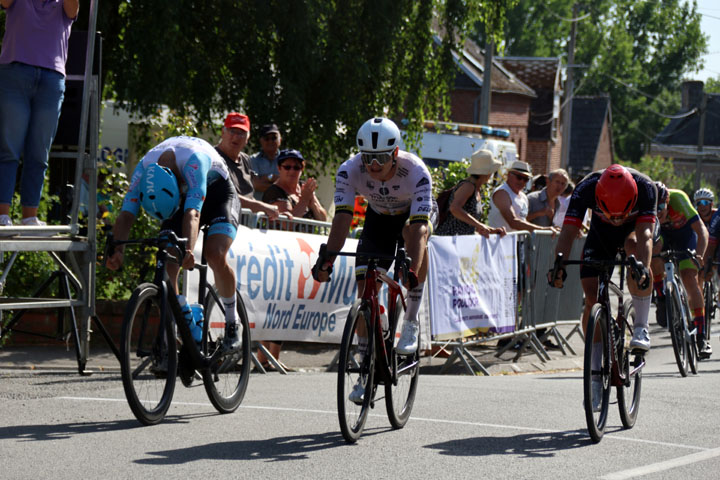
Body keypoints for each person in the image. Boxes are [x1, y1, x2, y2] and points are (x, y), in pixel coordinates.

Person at [312, 117, 435, 403]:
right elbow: (342, 219)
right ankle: (366, 372)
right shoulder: (349, 170)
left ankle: (411, 321)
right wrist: (327, 259)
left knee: (415, 236)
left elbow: (417, 229)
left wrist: (411, 269)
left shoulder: (416, 171)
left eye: (381, 157)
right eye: (368, 157)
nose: (374, 165)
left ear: (394, 154)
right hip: (378, 219)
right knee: (364, 289)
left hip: (411, 219)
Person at [107, 136, 242, 351]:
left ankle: (232, 323)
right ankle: (177, 327)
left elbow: (192, 213)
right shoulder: (143, 169)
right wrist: (117, 249)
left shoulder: (194, 162)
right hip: (180, 200)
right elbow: (126, 214)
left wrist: (188, 250)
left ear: (176, 183)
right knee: (168, 261)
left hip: (219, 195)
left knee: (214, 254)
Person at [549, 164, 656, 411]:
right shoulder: (586, 188)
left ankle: (640, 327)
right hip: (599, 236)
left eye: (621, 214)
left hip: (634, 234)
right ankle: (595, 377)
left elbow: (646, 236)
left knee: (635, 253)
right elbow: (568, 231)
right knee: (591, 295)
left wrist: (642, 269)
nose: (616, 220)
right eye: (611, 214)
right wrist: (559, 265)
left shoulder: (646, 188)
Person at [0, 0, 79, 230]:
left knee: (39, 152)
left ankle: (29, 217)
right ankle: (2, 215)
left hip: (51, 81)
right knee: (8, 148)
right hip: (14, 74)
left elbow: (73, 9)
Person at [651, 183, 710, 358]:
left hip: (686, 236)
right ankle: (661, 298)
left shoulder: (678, 199)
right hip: (663, 235)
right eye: (655, 208)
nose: (658, 211)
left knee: (689, 278)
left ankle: (701, 336)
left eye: (661, 207)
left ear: (668, 202)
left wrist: (699, 256)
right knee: (654, 255)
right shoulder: (650, 209)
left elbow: (702, 231)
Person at [214, 112, 280, 221]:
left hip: (246, 228)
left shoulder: (245, 159)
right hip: (221, 226)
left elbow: (248, 195)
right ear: (222, 132)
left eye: (241, 133)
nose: (236, 137)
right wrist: (262, 207)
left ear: (247, 138)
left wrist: (275, 212)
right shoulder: (213, 157)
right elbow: (225, 195)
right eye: (232, 131)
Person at [435, 148, 506, 237]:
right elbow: (454, 208)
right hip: (451, 242)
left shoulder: (476, 188)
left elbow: (468, 224)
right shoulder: (468, 186)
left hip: (461, 241)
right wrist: (480, 225)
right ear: (486, 172)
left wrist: (491, 230)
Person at [487, 161, 559, 235]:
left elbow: (523, 220)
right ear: (509, 175)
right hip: (501, 243)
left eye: (525, 179)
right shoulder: (502, 193)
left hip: (518, 243)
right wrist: (543, 230)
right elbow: (513, 222)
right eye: (519, 177)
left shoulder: (523, 197)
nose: (522, 181)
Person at [262, 149, 328, 222]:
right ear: (279, 168)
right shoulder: (274, 192)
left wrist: (312, 203)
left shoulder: (304, 187)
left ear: (302, 169)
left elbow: (323, 219)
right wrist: (305, 200)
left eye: (296, 168)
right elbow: (287, 224)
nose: (292, 171)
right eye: (287, 167)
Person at [250, 124, 282, 200]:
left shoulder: (287, 160)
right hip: (258, 208)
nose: (270, 141)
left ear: (280, 139)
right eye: (266, 138)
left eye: (274, 138)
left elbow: (290, 183)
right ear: (261, 141)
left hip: (282, 208)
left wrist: (265, 178)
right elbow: (256, 184)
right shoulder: (253, 159)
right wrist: (275, 179)